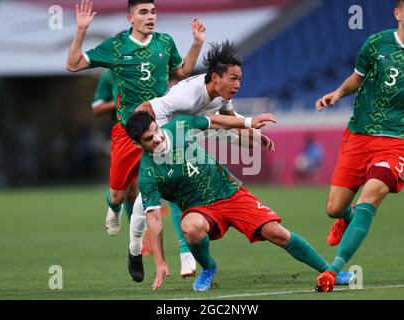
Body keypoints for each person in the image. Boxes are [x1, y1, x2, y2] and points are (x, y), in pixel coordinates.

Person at [125, 111, 355, 292]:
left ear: (156, 123)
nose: (157, 138)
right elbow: (154, 220)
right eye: (149, 139)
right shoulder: (147, 174)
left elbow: (215, 121)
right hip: (199, 208)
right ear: (139, 144)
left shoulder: (179, 125)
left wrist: (248, 122)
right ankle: (209, 268)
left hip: (230, 193)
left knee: (278, 233)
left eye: (155, 130)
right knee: (190, 227)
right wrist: (160, 262)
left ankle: (330, 271)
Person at [66, 0, 205, 274]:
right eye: (143, 12)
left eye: (153, 12)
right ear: (131, 18)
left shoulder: (165, 42)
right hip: (127, 133)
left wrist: (197, 43)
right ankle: (114, 208)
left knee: (172, 189)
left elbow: (183, 72)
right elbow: (73, 64)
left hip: (159, 129)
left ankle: (181, 253)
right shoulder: (117, 46)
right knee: (119, 194)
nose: (150, 17)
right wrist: (81, 30)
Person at [126, 41, 276, 282]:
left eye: (239, 79)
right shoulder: (185, 96)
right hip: (168, 133)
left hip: (198, 128)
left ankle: (180, 252)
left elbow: (228, 119)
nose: (237, 85)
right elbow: (145, 108)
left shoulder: (222, 96)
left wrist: (256, 134)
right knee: (149, 200)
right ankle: (137, 248)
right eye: (234, 78)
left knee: (243, 139)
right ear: (216, 78)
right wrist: (143, 135)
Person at [314, 0, 404, 292]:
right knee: (334, 208)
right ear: (398, 13)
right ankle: (346, 218)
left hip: (398, 142)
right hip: (360, 135)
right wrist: (338, 93)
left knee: (370, 198)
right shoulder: (375, 43)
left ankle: (333, 269)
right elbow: (358, 78)